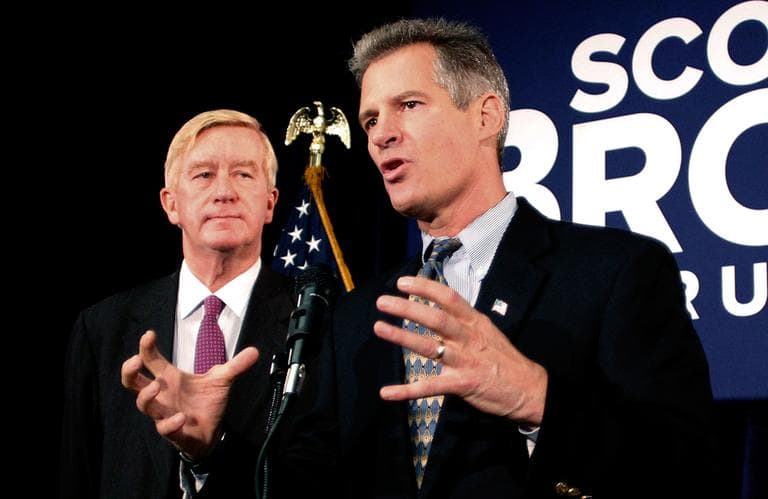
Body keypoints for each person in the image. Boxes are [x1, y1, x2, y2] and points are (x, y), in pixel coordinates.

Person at [106, 19, 714, 499]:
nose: (380, 134)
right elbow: (305, 488)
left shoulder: (615, 272)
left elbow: (685, 466)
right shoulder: (356, 316)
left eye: (409, 106)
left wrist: (536, 398)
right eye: (371, 117)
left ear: (487, 115)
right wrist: (214, 447)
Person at [60, 109, 294, 499]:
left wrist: (213, 451)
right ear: (171, 205)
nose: (224, 191)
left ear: (270, 204)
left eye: (244, 174)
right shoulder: (102, 328)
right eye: (204, 175)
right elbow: (78, 474)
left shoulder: (317, 323)